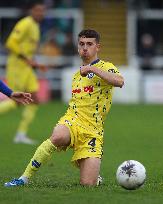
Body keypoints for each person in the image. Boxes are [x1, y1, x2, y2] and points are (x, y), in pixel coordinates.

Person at [4, 29, 124, 187]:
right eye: (82, 44)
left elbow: (119, 81)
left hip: (93, 132)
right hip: (72, 120)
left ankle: (93, 176)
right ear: (77, 47)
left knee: (88, 184)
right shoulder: (76, 76)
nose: (85, 48)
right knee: (58, 137)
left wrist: (92, 69)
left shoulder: (106, 67)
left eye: (89, 44)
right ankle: (23, 178)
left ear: (98, 47)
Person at [0, 0, 46, 144]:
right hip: (17, 67)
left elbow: (28, 50)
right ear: (31, 10)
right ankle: (20, 134)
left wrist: (35, 64)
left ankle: (21, 133)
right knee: (16, 101)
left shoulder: (36, 26)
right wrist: (27, 59)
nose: (40, 13)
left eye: (42, 10)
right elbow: (10, 43)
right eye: (38, 10)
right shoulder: (25, 23)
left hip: (26, 68)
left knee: (35, 99)